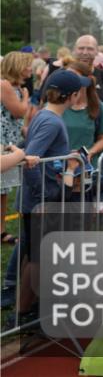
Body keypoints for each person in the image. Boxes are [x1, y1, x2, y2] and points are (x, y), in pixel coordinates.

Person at [7, 70, 88, 318]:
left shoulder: (45, 115)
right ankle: (21, 313)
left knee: (33, 254)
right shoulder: (52, 121)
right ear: (72, 96)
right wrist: (45, 195)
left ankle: (24, 307)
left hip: (37, 199)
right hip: (40, 201)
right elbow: (30, 159)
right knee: (37, 258)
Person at [63, 60, 103, 200]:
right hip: (60, 168)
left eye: (73, 76)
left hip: (86, 169)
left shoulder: (98, 107)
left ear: (87, 81)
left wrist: (90, 153)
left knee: (83, 209)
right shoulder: (58, 105)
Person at [1, 52, 33, 244]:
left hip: (9, 143)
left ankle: (1, 230)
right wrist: (27, 98)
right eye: (27, 64)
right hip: (2, 142)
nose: (30, 68)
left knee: (2, 190)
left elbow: (17, 119)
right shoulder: (4, 85)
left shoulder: (16, 87)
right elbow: (19, 111)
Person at [73, 35, 103, 109]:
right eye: (81, 48)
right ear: (74, 50)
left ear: (96, 52)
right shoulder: (61, 75)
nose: (85, 52)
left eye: (90, 49)